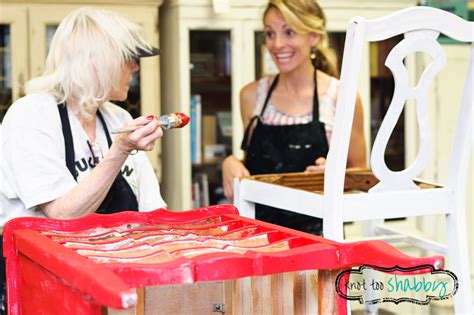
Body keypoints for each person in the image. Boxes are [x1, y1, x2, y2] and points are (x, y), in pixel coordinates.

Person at [0, 7, 166, 312]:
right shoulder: (30, 115)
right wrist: (120, 150)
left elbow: (152, 212)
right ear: (97, 61)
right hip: (40, 289)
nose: (135, 68)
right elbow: (63, 215)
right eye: (129, 58)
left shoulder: (119, 117)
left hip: (112, 284)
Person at [222, 0, 366, 235]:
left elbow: (361, 174)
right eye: (270, 33)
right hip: (259, 238)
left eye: (289, 32)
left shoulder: (341, 97)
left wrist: (336, 174)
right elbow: (255, 165)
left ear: (313, 36)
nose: (277, 44)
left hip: (321, 240)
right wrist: (231, 162)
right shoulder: (251, 96)